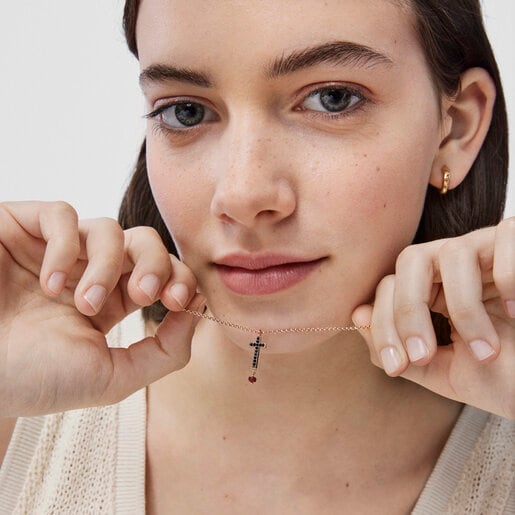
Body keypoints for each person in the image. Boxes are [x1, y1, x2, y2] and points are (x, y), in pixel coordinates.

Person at [0, 0, 514, 513]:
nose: (243, 195)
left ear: (456, 128)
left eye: (332, 100)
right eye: (187, 111)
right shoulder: (23, 401)